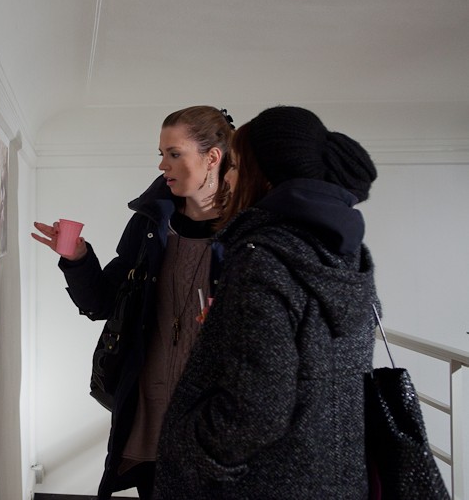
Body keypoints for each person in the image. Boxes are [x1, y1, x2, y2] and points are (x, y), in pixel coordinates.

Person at [154, 106, 379, 499]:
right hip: (334, 473)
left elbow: (257, 409)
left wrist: (188, 444)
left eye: (235, 166)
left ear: (263, 176)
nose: (228, 177)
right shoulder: (346, 253)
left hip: (265, 481)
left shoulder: (263, 259)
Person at [32, 106, 235, 499]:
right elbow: (102, 304)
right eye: (161, 154)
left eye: (174, 154)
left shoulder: (249, 229)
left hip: (216, 422)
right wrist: (77, 259)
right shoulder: (151, 224)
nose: (162, 165)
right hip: (149, 414)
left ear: (212, 157)